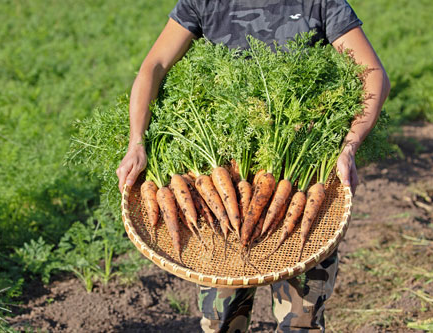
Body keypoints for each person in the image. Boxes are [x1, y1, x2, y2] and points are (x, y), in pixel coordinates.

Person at [116, 1, 390, 331]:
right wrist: (136, 141)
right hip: (224, 186)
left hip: (298, 175)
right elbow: (155, 65)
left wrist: (349, 147)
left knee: (300, 322)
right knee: (221, 321)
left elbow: (372, 74)